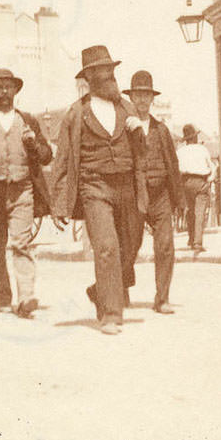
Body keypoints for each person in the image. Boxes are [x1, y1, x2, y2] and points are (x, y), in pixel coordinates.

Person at [51, 45, 147, 335]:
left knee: (130, 247)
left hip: (127, 185)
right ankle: (111, 314)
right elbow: (63, 159)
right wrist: (58, 203)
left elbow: (143, 151)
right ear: (90, 76)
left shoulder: (127, 108)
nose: (110, 75)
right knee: (106, 247)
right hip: (94, 186)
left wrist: (137, 132)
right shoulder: (76, 113)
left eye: (112, 70)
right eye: (103, 71)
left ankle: (98, 290)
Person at [0, 68, 57, 318]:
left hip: (23, 190)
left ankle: (26, 297)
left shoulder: (28, 121)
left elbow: (46, 155)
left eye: (9, 87)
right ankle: (4, 297)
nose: (4, 91)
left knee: (21, 243)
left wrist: (33, 144)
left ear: (16, 90)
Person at [122, 70, 183, 314]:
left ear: (152, 99)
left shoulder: (161, 130)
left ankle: (162, 298)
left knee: (165, 246)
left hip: (160, 197)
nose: (142, 100)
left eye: (146, 95)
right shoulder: (122, 126)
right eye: (137, 95)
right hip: (134, 196)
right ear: (131, 97)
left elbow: (173, 164)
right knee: (129, 246)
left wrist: (178, 200)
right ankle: (122, 290)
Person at [175, 123, 215, 251]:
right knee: (199, 213)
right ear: (194, 138)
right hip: (200, 182)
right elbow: (212, 167)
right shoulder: (202, 149)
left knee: (190, 212)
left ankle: (191, 239)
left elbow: (176, 170)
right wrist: (210, 178)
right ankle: (197, 243)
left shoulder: (180, 152)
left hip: (185, 182)